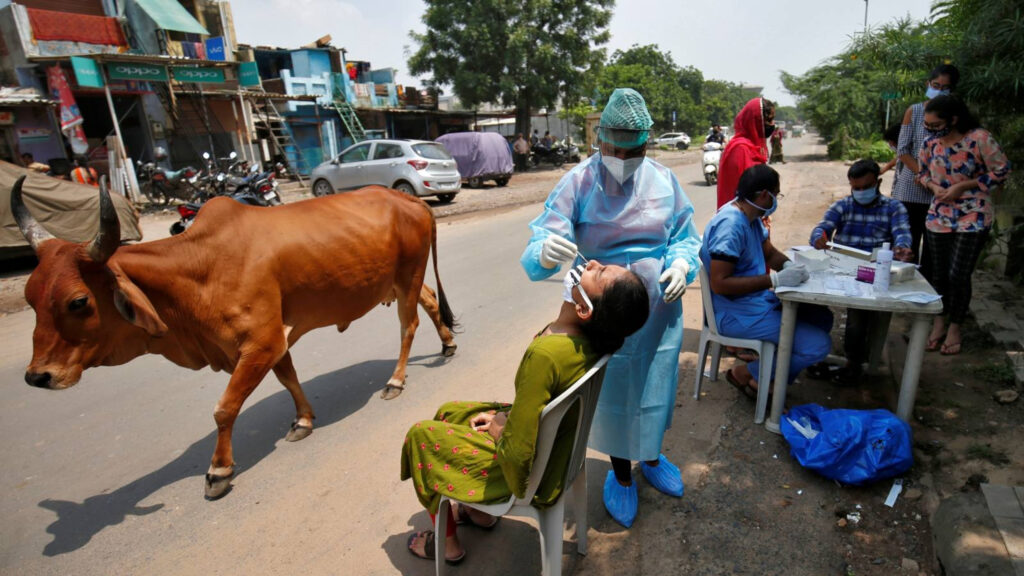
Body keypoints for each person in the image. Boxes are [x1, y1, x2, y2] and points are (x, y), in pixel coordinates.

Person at [520, 88, 702, 528]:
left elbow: (685, 235)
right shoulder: (578, 183)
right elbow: (539, 242)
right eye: (613, 148)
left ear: (646, 143)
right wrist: (544, 252)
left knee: (656, 386)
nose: (622, 157)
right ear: (600, 140)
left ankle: (652, 456)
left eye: (632, 149)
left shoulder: (662, 180)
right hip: (604, 308)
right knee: (617, 393)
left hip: (658, 309)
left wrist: (681, 263)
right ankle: (621, 474)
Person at [401, 260, 650, 564]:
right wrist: (503, 418)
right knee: (449, 412)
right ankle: (479, 513)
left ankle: (448, 544)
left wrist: (499, 428)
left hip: (531, 471)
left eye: (597, 273)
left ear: (584, 310)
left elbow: (518, 455)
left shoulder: (546, 354)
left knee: (420, 436)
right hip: (556, 448)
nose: (592, 263)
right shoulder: (593, 339)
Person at [701, 164, 833, 397]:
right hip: (735, 314)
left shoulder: (751, 218)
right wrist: (775, 279)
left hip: (755, 303)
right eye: (776, 195)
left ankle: (768, 372)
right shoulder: (731, 226)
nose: (775, 201)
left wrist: (791, 266)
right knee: (818, 345)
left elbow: (770, 253)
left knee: (821, 316)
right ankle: (749, 373)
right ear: (764, 195)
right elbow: (720, 284)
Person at [918, 95, 1011, 356]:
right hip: (939, 214)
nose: (931, 129)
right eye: (928, 125)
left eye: (935, 125)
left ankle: (955, 327)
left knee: (958, 274)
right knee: (938, 274)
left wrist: (963, 186)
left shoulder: (979, 138)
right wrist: (933, 185)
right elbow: (922, 173)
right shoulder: (930, 143)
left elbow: (1002, 170)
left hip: (973, 214)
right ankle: (938, 322)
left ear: (954, 119)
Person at [810, 159, 913, 381]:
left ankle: (854, 364)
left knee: (858, 313)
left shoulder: (894, 208)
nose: (861, 192)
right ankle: (810, 354)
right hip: (840, 268)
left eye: (866, 187)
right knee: (809, 302)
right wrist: (819, 237)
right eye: (856, 188)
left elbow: (902, 234)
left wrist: (902, 248)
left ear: (878, 182)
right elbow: (822, 227)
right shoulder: (843, 206)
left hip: (872, 273)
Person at [895, 64, 961, 271]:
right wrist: (924, 176)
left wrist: (936, 183)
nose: (939, 90)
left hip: (942, 193)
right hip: (911, 188)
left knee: (935, 252)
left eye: (945, 88)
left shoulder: (957, 118)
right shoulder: (914, 112)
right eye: (935, 85)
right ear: (928, 84)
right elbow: (903, 150)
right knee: (908, 246)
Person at [717, 97, 774, 208]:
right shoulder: (741, 149)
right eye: (769, 120)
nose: (772, 124)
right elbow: (744, 194)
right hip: (740, 218)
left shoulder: (752, 147)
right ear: (756, 121)